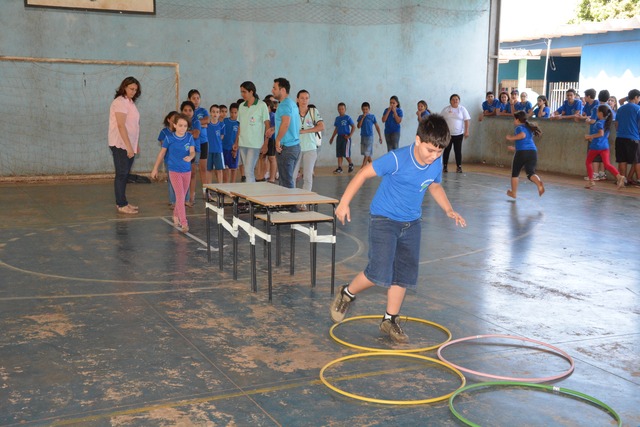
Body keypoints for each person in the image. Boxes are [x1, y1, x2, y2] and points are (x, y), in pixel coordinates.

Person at [329, 114, 466, 343]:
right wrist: (343, 202)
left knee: (402, 274)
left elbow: (434, 186)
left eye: (439, 152)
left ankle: (389, 320)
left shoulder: (435, 162)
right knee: (378, 273)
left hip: (412, 224)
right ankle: (347, 293)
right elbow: (363, 174)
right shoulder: (397, 158)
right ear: (418, 141)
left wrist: (449, 209)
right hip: (384, 219)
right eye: (430, 150)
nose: (434, 156)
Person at [150, 113, 196, 233]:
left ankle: (175, 215)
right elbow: (162, 154)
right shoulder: (169, 138)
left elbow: (192, 152)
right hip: (174, 171)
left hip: (186, 170)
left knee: (182, 195)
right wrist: (155, 168)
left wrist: (190, 157)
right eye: (180, 125)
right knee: (180, 196)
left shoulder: (189, 138)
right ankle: (184, 222)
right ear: (174, 125)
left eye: (185, 126)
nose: (182, 128)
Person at [108, 76, 141, 214]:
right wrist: (128, 146)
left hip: (129, 144)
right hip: (120, 143)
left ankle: (123, 202)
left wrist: (135, 144)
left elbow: (134, 125)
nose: (133, 92)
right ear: (124, 87)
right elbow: (121, 126)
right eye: (131, 89)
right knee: (121, 174)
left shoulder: (130, 102)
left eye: (135, 90)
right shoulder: (120, 102)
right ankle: (121, 204)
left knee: (125, 173)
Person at [233, 81, 270, 183]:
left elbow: (267, 125)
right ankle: (251, 194)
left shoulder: (262, 105)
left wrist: (266, 143)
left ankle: (250, 197)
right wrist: (236, 142)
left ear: (251, 92)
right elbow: (240, 125)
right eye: (241, 92)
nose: (242, 94)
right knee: (247, 170)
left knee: (248, 171)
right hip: (243, 143)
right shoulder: (241, 106)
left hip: (255, 144)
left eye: (244, 92)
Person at [267, 77, 300, 188]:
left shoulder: (285, 105)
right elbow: (286, 124)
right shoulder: (291, 103)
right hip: (293, 146)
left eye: (274, 88)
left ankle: (291, 205)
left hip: (287, 148)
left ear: (283, 90)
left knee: (286, 181)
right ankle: (287, 204)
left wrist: (277, 140)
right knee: (285, 179)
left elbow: (286, 123)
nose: (272, 90)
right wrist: (274, 129)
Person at [584, 105, 626, 190]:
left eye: (597, 112)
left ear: (600, 113)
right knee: (607, 164)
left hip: (596, 146)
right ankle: (619, 176)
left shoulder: (599, 123)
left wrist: (590, 136)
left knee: (588, 162)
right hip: (604, 146)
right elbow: (606, 135)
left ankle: (591, 180)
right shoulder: (607, 123)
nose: (596, 113)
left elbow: (601, 134)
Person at [505, 111, 545, 199]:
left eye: (514, 119)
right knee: (530, 173)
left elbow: (522, 136)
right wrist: (514, 148)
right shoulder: (529, 128)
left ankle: (514, 193)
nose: (513, 121)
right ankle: (538, 183)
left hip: (522, 153)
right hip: (532, 152)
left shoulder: (519, 128)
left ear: (518, 120)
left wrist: (511, 138)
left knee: (515, 173)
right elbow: (525, 142)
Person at [293, 90, 324, 196]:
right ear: (297, 99)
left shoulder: (313, 111)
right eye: (302, 98)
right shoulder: (293, 112)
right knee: (292, 176)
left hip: (310, 148)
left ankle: (304, 202)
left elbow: (321, 126)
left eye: (306, 98)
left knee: (307, 176)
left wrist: (304, 131)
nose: (304, 100)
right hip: (295, 148)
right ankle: (291, 200)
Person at [614, 89, 640, 185]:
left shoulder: (621, 109)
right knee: (637, 160)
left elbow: (616, 124)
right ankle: (639, 179)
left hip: (620, 137)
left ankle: (623, 179)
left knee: (622, 159)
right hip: (633, 138)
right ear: (636, 97)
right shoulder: (638, 109)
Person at [440, 94, 470, 173]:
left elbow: (466, 120)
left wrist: (467, 131)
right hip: (448, 135)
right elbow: (440, 120)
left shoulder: (462, 109)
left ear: (459, 101)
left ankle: (459, 167)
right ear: (450, 101)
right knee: (447, 150)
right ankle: (445, 166)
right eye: (453, 99)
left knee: (458, 151)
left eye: (457, 99)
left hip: (459, 134)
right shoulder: (446, 110)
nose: (455, 101)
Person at [188, 89, 210, 199]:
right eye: (193, 98)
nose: (196, 100)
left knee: (203, 169)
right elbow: (187, 123)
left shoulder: (203, 110)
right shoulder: (188, 111)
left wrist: (197, 123)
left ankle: (206, 193)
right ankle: (191, 195)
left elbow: (207, 120)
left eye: (198, 98)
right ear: (189, 99)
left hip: (203, 142)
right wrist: (201, 125)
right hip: (193, 144)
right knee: (192, 172)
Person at [180, 100, 201, 207]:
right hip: (181, 151)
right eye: (185, 110)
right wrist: (189, 132)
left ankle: (191, 197)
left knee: (192, 174)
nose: (188, 112)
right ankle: (181, 198)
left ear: (193, 112)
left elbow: (196, 134)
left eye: (190, 110)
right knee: (181, 174)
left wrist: (184, 132)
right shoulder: (180, 122)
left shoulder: (196, 121)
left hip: (194, 150)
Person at [157, 111, 179, 207]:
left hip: (179, 160)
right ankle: (172, 201)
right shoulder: (164, 132)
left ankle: (181, 200)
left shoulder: (179, 131)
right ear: (168, 120)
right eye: (173, 118)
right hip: (169, 160)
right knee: (171, 180)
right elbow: (163, 147)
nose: (175, 120)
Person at [329, 102, 355, 173]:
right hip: (339, 137)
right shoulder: (337, 119)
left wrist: (349, 135)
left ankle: (350, 163)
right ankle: (339, 168)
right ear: (338, 110)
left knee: (346, 154)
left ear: (345, 109)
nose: (341, 110)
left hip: (346, 137)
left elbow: (353, 126)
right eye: (339, 109)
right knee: (339, 153)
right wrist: (332, 137)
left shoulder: (347, 117)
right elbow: (336, 129)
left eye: (342, 109)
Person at [357, 102, 383, 169]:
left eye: (366, 109)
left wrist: (380, 136)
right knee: (366, 153)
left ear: (369, 109)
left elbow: (377, 127)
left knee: (367, 153)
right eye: (364, 109)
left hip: (369, 137)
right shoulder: (360, 117)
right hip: (363, 136)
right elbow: (358, 126)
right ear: (362, 110)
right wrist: (362, 118)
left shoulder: (372, 117)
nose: (365, 111)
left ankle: (363, 167)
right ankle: (374, 167)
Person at [206, 104, 225, 184]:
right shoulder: (207, 125)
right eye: (213, 112)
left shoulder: (222, 125)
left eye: (217, 112)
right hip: (208, 151)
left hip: (218, 150)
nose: (215, 114)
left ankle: (220, 188)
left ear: (219, 114)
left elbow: (221, 136)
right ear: (210, 113)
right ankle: (209, 189)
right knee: (209, 170)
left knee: (219, 170)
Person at [222, 103, 240, 183]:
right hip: (224, 147)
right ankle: (226, 184)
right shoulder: (225, 121)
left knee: (234, 168)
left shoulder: (239, 123)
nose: (233, 114)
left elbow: (239, 136)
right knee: (226, 168)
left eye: (235, 112)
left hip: (234, 148)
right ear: (229, 112)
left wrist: (236, 147)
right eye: (232, 112)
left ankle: (233, 184)